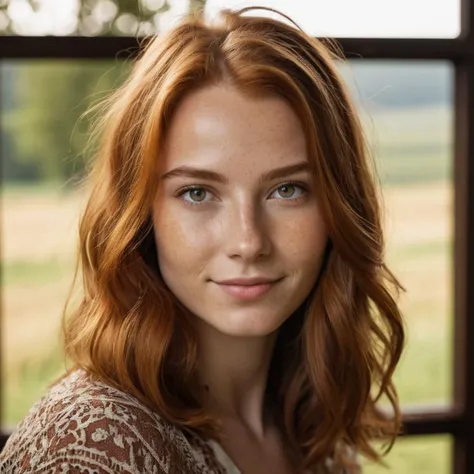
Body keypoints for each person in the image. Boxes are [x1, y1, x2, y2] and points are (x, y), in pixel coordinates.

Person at [0, 5, 405, 474]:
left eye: (287, 189)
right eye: (197, 192)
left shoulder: (312, 430)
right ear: (141, 213)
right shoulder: (87, 446)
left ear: (339, 204)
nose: (248, 242)